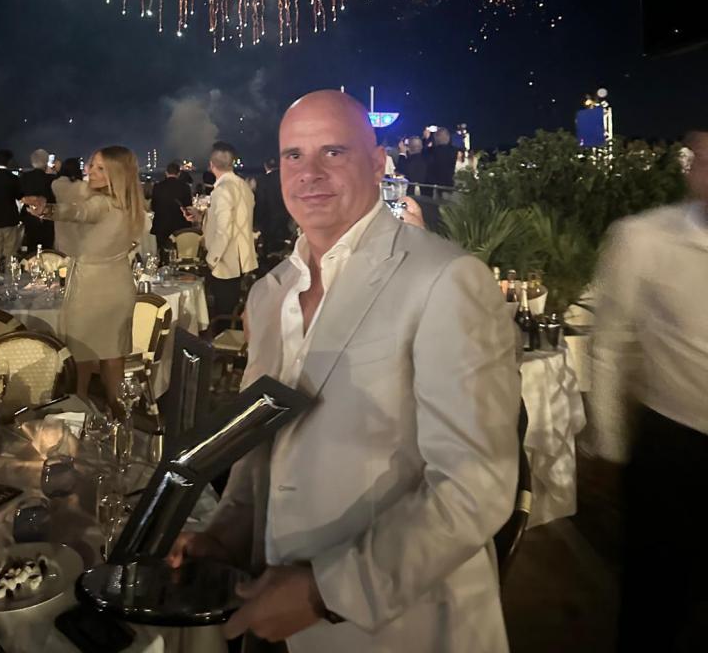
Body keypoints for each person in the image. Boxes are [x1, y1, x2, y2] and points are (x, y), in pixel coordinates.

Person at [168, 91, 520, 653]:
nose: (309, 173)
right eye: (294, 155)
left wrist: (323, 592)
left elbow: (475, 485)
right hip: (269, 605)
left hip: (400, 626)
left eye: (333, 152)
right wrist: (226, 536)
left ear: (378, 163)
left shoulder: (445, 278)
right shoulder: (269, 294)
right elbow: (261, 453)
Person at [591, 128, 708, 652]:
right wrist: (610, 445)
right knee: (654, 601)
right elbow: (609, 344)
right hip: (672, 447)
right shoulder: (644, 238)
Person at [23, 146, 143, 414]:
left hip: (92, 288)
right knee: (113, 356)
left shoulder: (103, 204)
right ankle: (120, 420)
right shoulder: (129, 204)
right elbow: (78, 206)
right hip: (118, 285)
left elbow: (78, 212)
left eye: (101, 168)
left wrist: (47, 209)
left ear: (117, 174)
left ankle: (77, 420)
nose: (91, 171)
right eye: (92, 164)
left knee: (80, 356)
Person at [189, 143, 257, 320]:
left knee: (223, 312)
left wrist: (212, 259)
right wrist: (202, 217)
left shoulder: (222, 190)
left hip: (226, 261)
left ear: (211, 165)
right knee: (236, 309)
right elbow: (238, 218)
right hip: (243, 258)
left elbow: (224, 231)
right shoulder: (243, 186)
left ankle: (224, 336)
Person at [151, 162, 194, 258]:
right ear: (179, 173)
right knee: (180, 252)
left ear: (166, 173)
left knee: (162, 253)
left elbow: (153, 207)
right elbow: (189, 207)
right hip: (180, 225)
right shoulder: (185, 187)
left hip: (161, 225)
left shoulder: (157, 187)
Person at [253, 157, 292, 256]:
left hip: (269, 220)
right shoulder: (288, 179)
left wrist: (256, 222)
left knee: (269, 247)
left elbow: (261, 202)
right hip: (287, 218)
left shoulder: (263, 180)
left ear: (266, 166)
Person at [19, 149, 55, 252]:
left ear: (32, 162)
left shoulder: (25, 177)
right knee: (47, 248)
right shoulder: (52, 179)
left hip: (29, 215)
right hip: (48, 217)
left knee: (32, 247)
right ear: (46, 162)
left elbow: (20, 195)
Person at [51, 158, 88, 258]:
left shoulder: (55, 184)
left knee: (62, 253)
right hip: (77, 221)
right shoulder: (82, 186)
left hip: (60, 220)